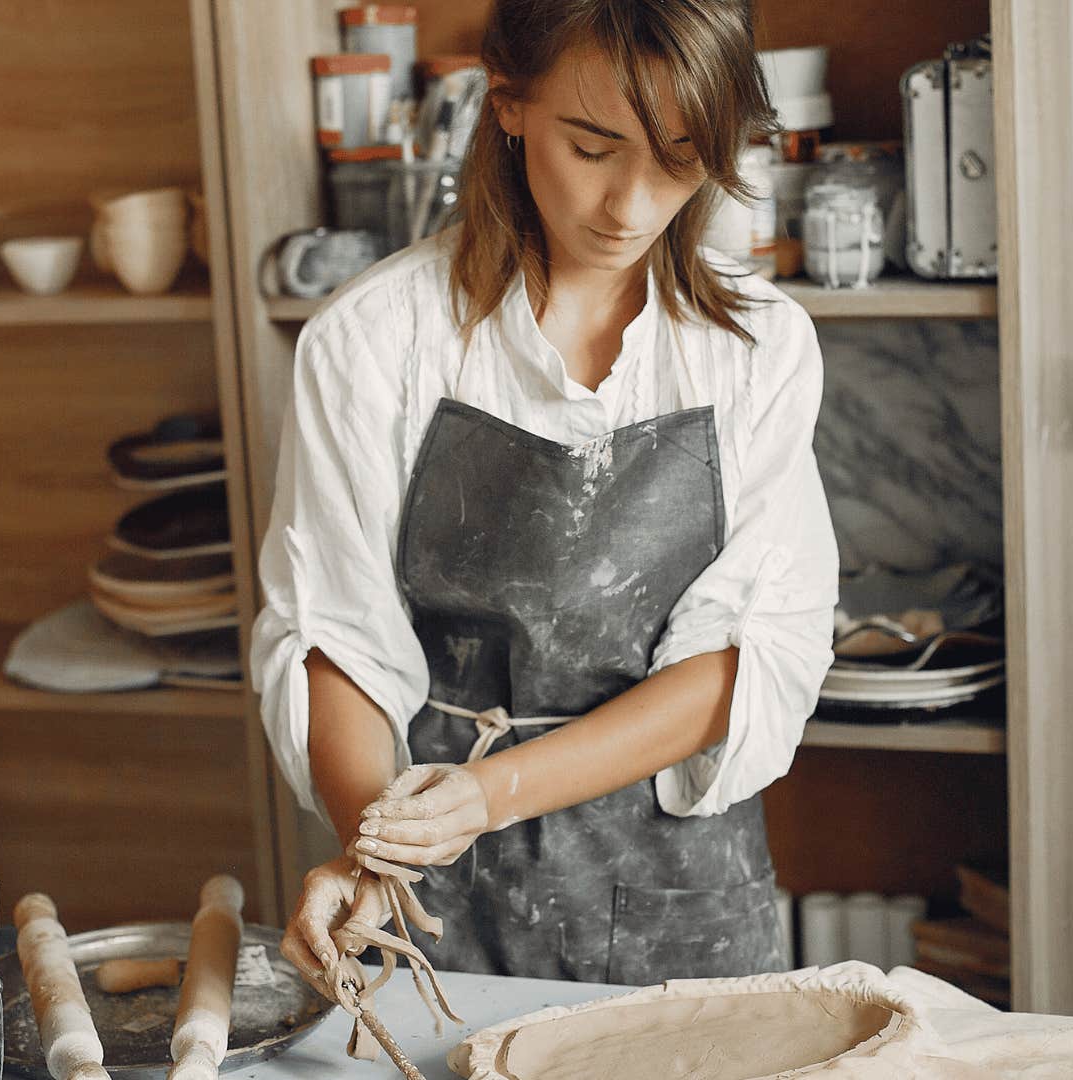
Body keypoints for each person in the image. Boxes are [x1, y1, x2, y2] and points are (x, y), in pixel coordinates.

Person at [252, 0, 837, 990]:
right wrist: (378, 848)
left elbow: (741, 660)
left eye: (683, 156)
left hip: (681, 900)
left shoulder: (757, 351)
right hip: (438, 903)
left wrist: (489, 794)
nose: (634, 206)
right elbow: (336, 639)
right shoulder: (371, 344)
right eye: (594, 146)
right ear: (508, 101)